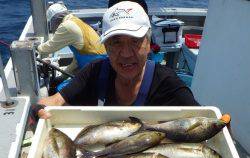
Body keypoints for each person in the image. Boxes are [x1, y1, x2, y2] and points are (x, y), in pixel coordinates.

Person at [37, 1, 199, 119]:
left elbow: (203, 119)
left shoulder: (167, 82)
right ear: (106, 47)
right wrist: (38, 109)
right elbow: (54, 101)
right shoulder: (95, 71)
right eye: (116, 42)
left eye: (135, 41)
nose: (126, 53)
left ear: (149, 43)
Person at [37, 3, 106, 73]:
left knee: (64, 84)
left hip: (96, 67)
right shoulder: (75, 20)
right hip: (101, 62)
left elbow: (48, 48)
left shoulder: (66, 27)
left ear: (55, 19)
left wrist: (37, 48)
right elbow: (78, 58)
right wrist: (64, 74)